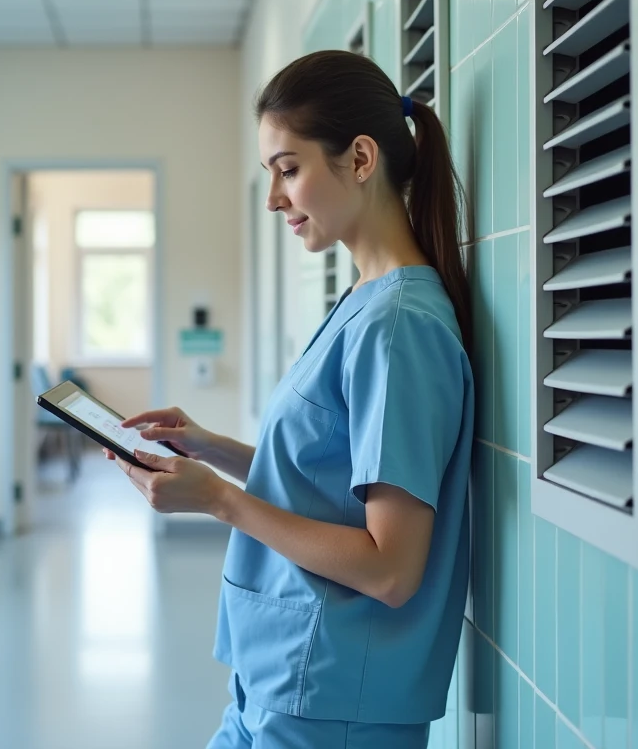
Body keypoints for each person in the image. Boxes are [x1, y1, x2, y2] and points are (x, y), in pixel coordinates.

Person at [106, 49, 475, 749]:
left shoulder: (399, 327)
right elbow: (330, 478)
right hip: (278, 682)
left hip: (331, 701)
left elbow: (391, 569)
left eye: (288, 170)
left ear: (361, 159)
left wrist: (218, 500)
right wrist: (210, 447)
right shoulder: (365, 304)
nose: (275, 198)